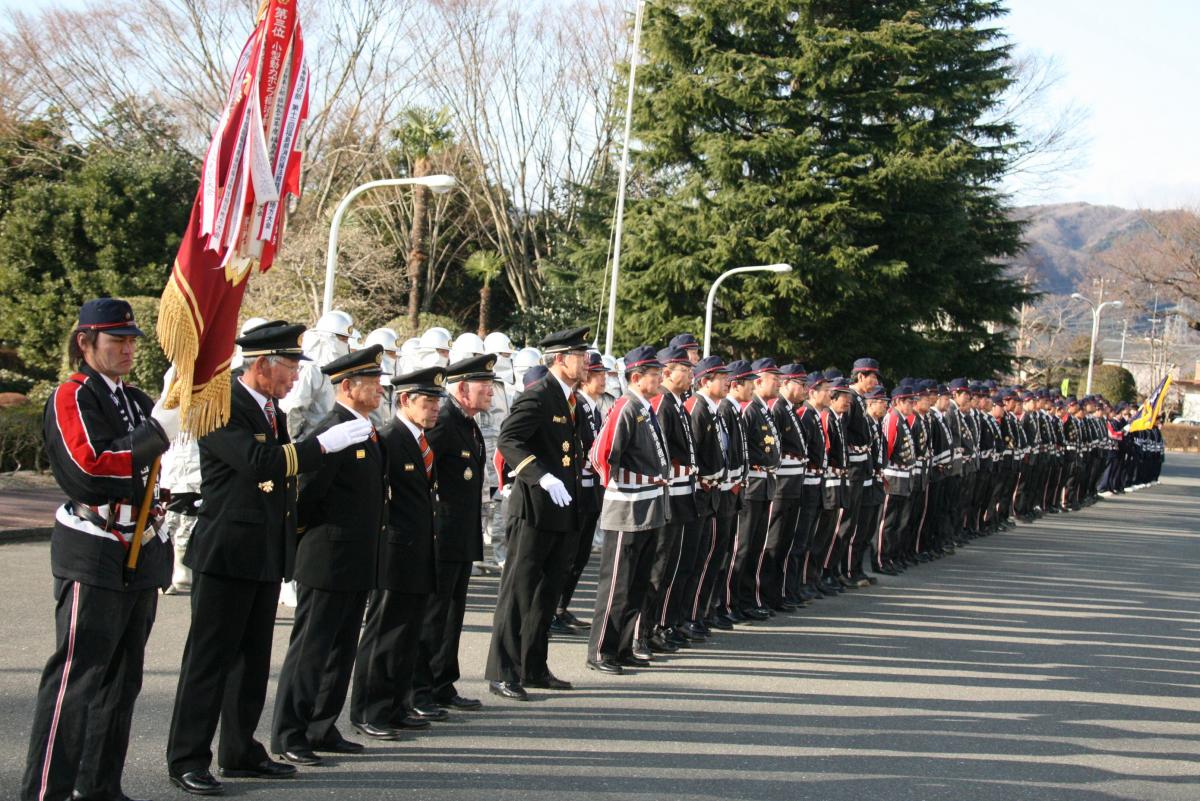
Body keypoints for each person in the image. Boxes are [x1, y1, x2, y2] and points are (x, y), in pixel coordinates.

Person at [166, 321, 372, 796]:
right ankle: (187, 757)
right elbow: (259, 465)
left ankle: (239, 751)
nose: (296, 378)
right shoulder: (219, 406)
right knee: (208, 662)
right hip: (226, 553)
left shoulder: (271, 410)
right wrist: (321, 445)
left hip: (261, 552)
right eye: (291, 367)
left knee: (251, 661)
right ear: (262, 364)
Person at [22, 299, 174, 801]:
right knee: (78, 678)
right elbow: (90, 469)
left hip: (140, 549)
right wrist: (154, 438)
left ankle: (100, 785)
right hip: (94, 546)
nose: (129, 348)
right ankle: (48, 790)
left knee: (122, 679)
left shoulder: (134, 397)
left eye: (132, 339)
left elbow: (146, 473)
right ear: (86, 343)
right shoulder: (72, 394)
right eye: (117, 340)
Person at [270, 345, 388, 766]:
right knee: (311, 649)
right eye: (371, 383)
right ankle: (289, 732)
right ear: (347, 386)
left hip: (357, 559)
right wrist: (311, 545)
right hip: (328, 557)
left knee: (340, 648)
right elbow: (306, 496)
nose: (378, 390)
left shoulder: (364, 428)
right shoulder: (331, 429)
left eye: (378, 382)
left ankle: (321, 725)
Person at [485, 327, 589, 700]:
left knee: (546, 594)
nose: (587, 362)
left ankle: (533, 665)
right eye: (580, 355)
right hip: (534, 509)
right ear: (559, 359)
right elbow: (509, 439)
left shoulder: (570, 399)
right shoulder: (539, 395)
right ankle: (503, 671)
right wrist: (540, 476)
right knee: (518, 591)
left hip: (562, 510)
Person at [349, 365, 445, 737]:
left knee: (407, 633)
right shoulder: (389, 437)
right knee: (384, 633)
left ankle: (397, 703)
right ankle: (369, 710)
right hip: (394, 550)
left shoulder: (421, 438)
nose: (435, 408)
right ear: (405, 400)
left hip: (419, 551)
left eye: (438, 401)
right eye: (428, 401)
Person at [411, 355, 497, 715]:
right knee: (434, 613)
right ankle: (419, 689)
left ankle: (443, 682)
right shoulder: (444, 422)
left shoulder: (468, 423)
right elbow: (422, 476)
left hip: (462, 532)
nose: (491, 392)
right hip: (442, 533)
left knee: (452, 613)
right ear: (462, 389)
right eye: (484, 386)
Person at [586, 346, 671, 674]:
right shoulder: (625, 406)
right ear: (636, 377)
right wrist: (622, 485)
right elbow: (600, 455)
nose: (659, 379)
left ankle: (621, 647)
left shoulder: (645, 408)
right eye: (654, 374)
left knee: (636, 582)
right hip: (627, 509)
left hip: (648, 507)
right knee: (617, 584)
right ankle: (600, 651)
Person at [642, 345, 697, 651]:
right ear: (667, 372)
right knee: (659, 566)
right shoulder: (662, 402)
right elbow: (659, 453)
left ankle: (662, 624)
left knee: (673, 566)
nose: (690, 374)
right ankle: (646, 629)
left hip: (681, 493)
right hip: (667, 495)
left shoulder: (675, 402)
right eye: (684, 369)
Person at [553, 351, 610, 634]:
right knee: (569, 555)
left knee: (580, 555)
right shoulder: (579, 405)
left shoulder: (594, 407)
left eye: (603, 374)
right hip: (579, 488)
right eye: (597, 374)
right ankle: (554, 608)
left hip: (591, 489)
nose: (602, 379)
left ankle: (561, 606)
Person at [681, 356, 732, 637]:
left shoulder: (713, 409)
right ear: (705, 381)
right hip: (700, 494)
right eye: (720, 377)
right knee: (695, 560)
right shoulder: (697, 409)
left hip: (713, 494)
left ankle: (697, 613)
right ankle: (688, 616)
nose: (727, 381)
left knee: (708, 557)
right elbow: (695, 454)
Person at [729, 358, 782, 620]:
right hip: (752, 485)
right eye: (774, 378)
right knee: (744, 546)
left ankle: (747, 598)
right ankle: (733, 600)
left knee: (756, 547)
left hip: (765, 484)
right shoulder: (749, 410)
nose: (779, 382)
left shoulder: (762, 409)